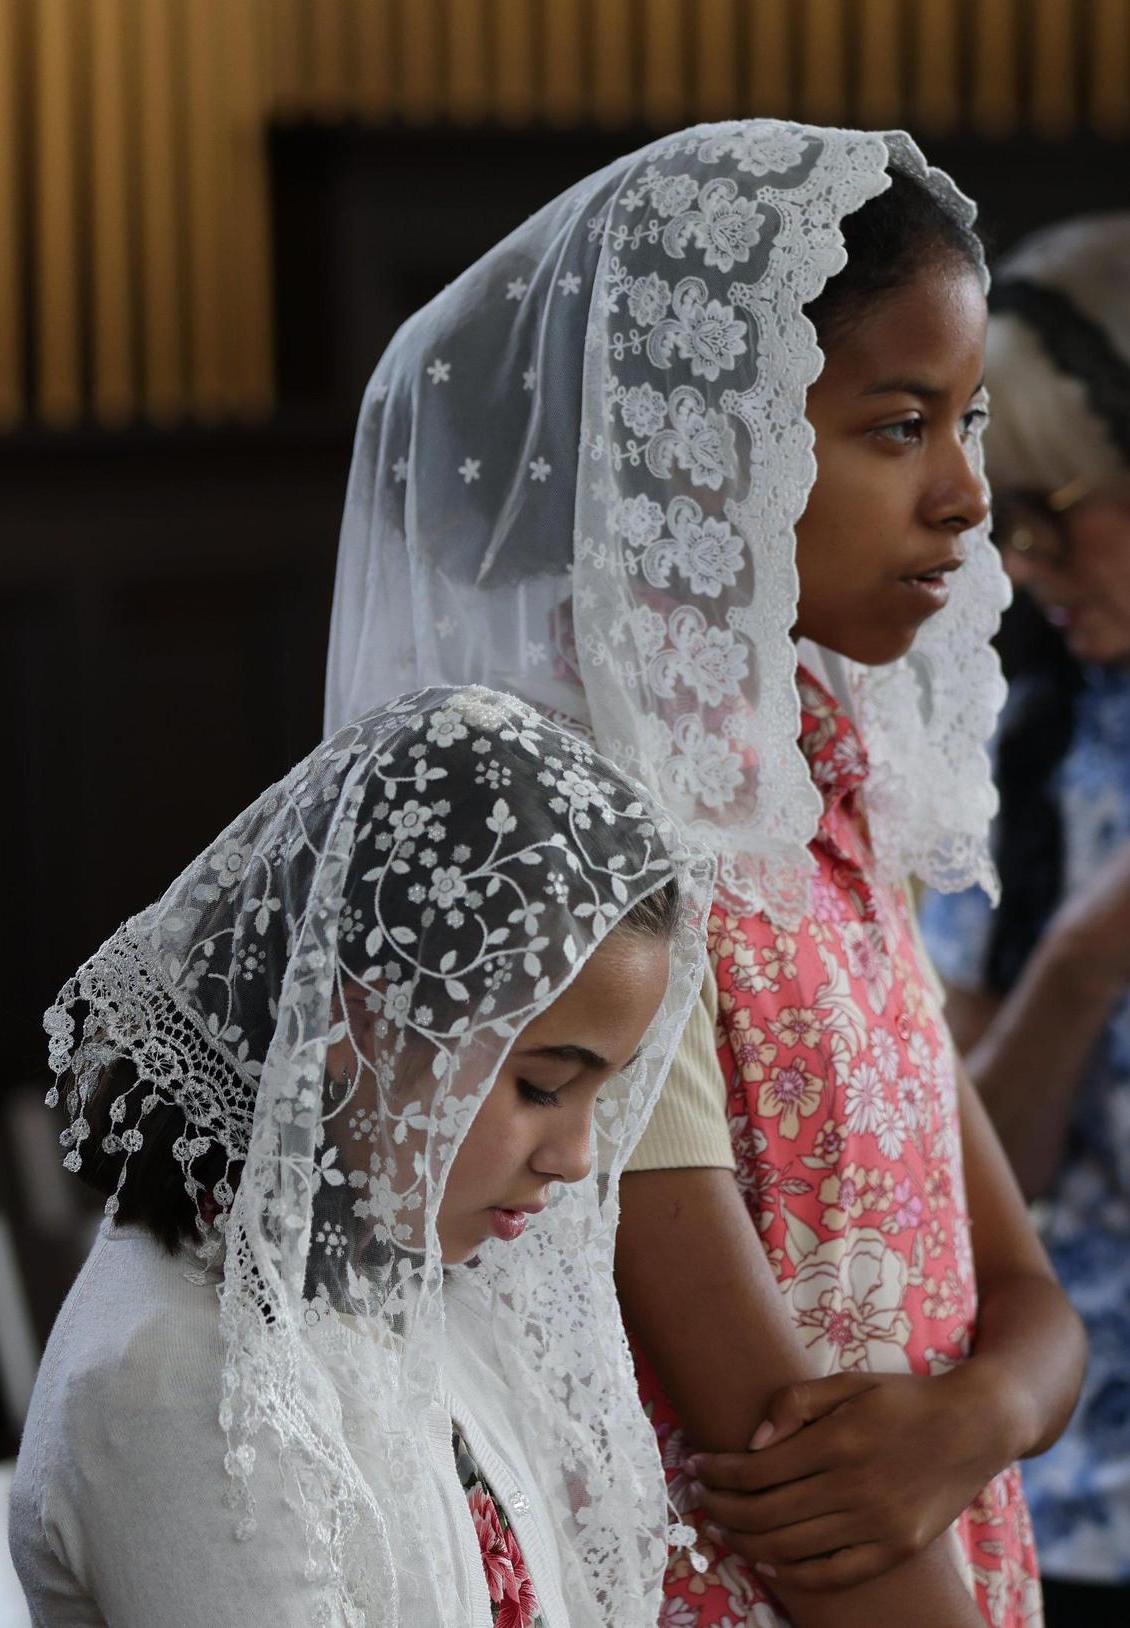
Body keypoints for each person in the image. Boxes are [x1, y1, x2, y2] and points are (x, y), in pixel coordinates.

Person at [324, 121, 1088, 1628]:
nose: (966, 496)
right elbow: (766, 1440)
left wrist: (981, 1419)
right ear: (711, 441)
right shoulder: (595, 821)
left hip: (941, 1539)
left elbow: (1026, 1287)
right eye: (895, 426)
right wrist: (953, 1442)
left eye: (970, 423)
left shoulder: (822, 758)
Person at [8, 685, 714, 1628]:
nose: (579, 1158)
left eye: (603, 1092)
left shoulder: (407, 1287)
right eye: (543, 1086)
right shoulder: (177, 1379)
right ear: (355, 1021)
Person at [920, 214, 1130, 1626]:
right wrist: (1082, 955)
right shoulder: (1012, 763)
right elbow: (964, 1176)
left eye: (1068, 500)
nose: (1029, 551)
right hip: (1083, 1496)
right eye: (1015, 508)